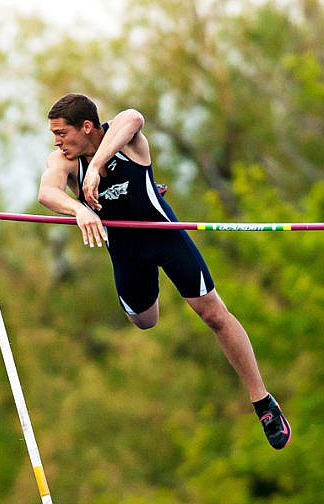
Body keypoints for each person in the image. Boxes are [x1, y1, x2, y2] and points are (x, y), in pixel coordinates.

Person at [38, 93, 291, 450]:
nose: (56, 142)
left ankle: (263, 402)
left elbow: (133, 116)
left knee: (214, 314)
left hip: (164, 238)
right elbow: (47, 191)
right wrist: (77, 208)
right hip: (126, 253)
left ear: (88, 127)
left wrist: (96, 168)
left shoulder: (124, 141)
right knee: (145, 321)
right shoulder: (63, 161)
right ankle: (141, 218)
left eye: (61, 133)